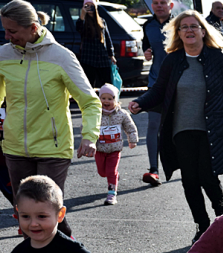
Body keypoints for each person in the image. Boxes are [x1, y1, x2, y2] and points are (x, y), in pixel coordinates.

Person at [128, 10, 223, 244]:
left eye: (194, 26)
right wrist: (139, 103)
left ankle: (222, 220)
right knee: (189, 180)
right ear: (178, 33)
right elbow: (159, 89)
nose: (189, 30)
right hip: (181, 130)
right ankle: (202, 224)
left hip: (212, 128)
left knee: (207, 176)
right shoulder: (172, 59)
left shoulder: (218, 57)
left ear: (203, 31)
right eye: (184, 27)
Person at [0, 0, 101, 238]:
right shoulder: (3, 55)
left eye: (12, 31)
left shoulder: (61, 57)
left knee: (46, 212)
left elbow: (89, 101)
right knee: (26, 215)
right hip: (15, 147)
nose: (7, 35)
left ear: (33, 28)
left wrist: (89, 137)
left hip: (52, 149)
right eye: (5, 29)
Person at [141, 0, 174, 187]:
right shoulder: (148, 25)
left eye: (163, 2)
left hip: (178, 83)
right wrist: (147, 52)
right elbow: (146, 46)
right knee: (153, 125)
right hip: (156, 83)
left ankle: (186, 166)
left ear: (170, 5)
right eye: (156, 2)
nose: (159, 5)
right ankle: (153, 170)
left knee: (177, 127)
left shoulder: (180, 23)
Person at [95, 84, 137, 205]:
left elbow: (130, 128)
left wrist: (132, 140)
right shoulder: (96, 113)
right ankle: (114, 176)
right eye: (103, 98)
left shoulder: (121, 114)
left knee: (110, 171)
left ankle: (112, 194)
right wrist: (88, 142)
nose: (106, 101)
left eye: (110, 98)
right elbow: (88, 127)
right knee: (102, 173)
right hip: (100, 149)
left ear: (116, 100)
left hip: (115, 149)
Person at [75, 0, 115, 88]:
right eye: (86, 6)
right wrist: (82, 14)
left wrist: (111, 55)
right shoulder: (83, 21)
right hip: (88, 58)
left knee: (107, 84)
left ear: (95, 7)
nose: (89, 8)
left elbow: (107, 39)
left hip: (102, 57)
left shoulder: (102, 21)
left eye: (91, 5)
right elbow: (79, 29)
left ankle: (107, 100)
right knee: (89, 84)